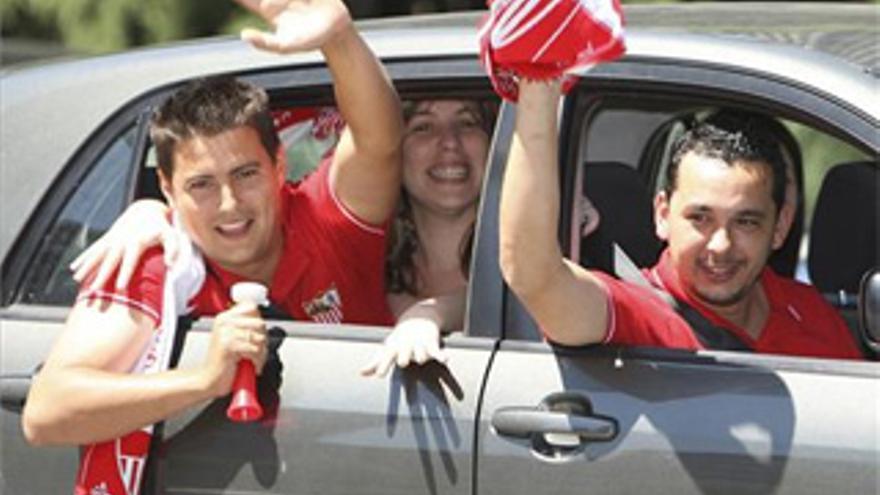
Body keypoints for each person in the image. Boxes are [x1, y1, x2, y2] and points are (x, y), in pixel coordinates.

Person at [22, 0, 402, 492]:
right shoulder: (154, 263)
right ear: (166, 188)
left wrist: (341, 38)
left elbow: (380, 140)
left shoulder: (323, 216)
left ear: (279, 166)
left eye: (246, 174)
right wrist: (204, 380)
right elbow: (47, 412)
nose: (229, 204)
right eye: (201, 184)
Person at [69, 98, 497, 378]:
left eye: (469, 123)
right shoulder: (359, 246)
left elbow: (528, 284)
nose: (449, 145)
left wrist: (429, 314)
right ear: (396, 154)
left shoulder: (554, 237)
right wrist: (152, 211)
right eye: (422, 127)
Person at [499, 79, 862, 359]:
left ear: (780, 226)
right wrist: (537, 86)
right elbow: (534, 274)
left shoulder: (810, 311)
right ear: (662, 214)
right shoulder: (639, 314)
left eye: (746, 222)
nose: (721, 245)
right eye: (700, 218)